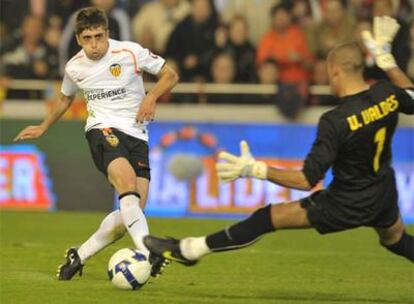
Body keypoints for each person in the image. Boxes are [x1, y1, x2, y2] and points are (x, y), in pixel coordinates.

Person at [143, 16, 414, 267]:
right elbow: (410, 95)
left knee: (267, 218)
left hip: (346, 201)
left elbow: (306, 180)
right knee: (396, 240)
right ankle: (189, 250)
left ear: (335, 71)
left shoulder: (336, 120)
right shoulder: (386, 94)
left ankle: (189, 250)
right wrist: (387, 59)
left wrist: (256, 170)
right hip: (383, 191)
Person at [13, 7, 179, 280]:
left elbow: (170, 75)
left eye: (98, 37)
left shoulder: (129, 52)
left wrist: (151, 97)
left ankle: (80, 255)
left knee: (131, 212)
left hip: (137, 135)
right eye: (87, 38)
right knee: (127, 186)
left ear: (107, 33)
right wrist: (44, 125)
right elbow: (66, 98)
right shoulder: (74, 67)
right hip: (102, 130)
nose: (94, 44)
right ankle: (150, 250)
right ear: (78, 39)